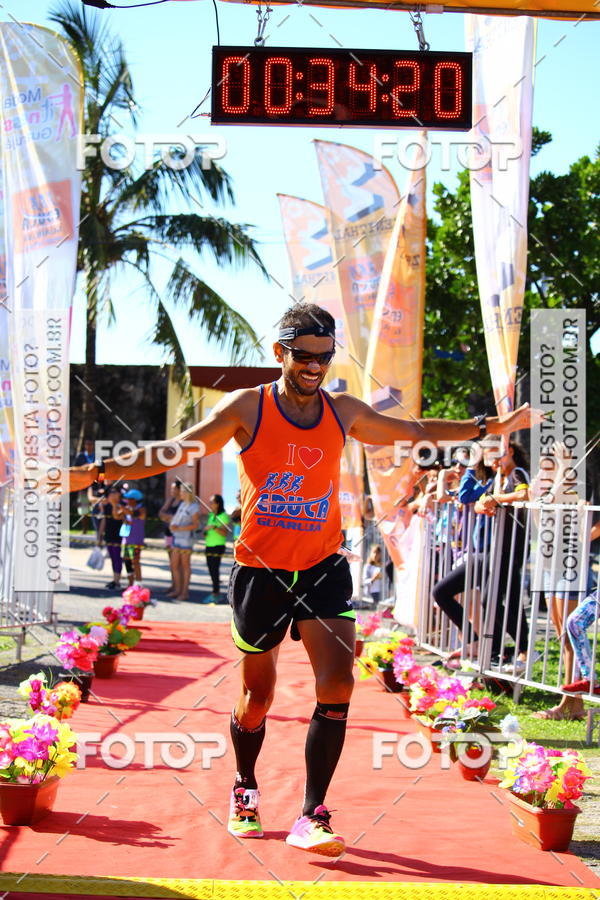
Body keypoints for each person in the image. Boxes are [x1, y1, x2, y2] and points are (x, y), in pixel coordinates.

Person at [69, 302, 542, 857]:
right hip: (260, 571)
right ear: (281, 353)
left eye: (325, 355)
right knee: (257, 697)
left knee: (338, 682)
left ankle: (312, 812)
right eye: (305, 355)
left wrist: (492, 427)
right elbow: (176, 449)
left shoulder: (342, 411)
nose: (315, 365)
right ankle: (244, 786)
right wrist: (98, 472)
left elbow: (412, 430)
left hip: (323, 565)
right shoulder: (247, 406)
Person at [169, 483, 201, 602]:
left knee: (185, 565)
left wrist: (179, 528)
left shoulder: (194, 507)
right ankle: (177, 590)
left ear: (187, 493)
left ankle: (184, 592)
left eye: (182, 491)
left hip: (187, 539)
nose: (180, 493)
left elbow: (195, 525)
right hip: (177, 537)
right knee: (174, 564)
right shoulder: (182, 504)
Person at [114, 488, 146, 586]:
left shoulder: (141, 509)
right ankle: (130, 584)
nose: (127, 500)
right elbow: (116, 516)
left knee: (135, 561)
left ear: (135, 499)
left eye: (129, 498)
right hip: (126, 540)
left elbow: (139, 515)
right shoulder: (126, 508)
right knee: (127, 561)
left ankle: (139, 584)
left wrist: (125, 510)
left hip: (136, 540)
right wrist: (114, 505)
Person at [203, 494, 230, 603]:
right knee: (210, 570)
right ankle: (215, 591)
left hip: (218, 546)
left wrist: (213, 527)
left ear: (218, 504)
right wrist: (205, 532)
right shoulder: (211, 515)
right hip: (209, 545)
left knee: (214, 570)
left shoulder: (223, 516)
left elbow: (224, 533)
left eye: (212, 502)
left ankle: (216, 593)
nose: (210, 504)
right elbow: (208, 530)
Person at [97, 485, 124, 590]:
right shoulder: (106, 506)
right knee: (112, 556)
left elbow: (120, 517)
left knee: (117, 557)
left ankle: (117, 581)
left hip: (119, 534)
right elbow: (104, 520)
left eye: (115, 492)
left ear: (119, 494)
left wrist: (114, 505)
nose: (112, 494)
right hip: (109, 533)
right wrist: (100, 535)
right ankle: (115, 579)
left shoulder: (122, 505)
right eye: (110, 493)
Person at [159, 481, 182, 595]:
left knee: (177, 563)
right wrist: (170, 518)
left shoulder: (182, 502)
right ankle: (173, 585)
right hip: (168, 533)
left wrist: (168, 518)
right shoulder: (170, 500)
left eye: (174, 489)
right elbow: (161, 513)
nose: (172, 491)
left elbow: (179, 519)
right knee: (171, 562)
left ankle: (179, 587)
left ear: (179, 489)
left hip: (176, 535)